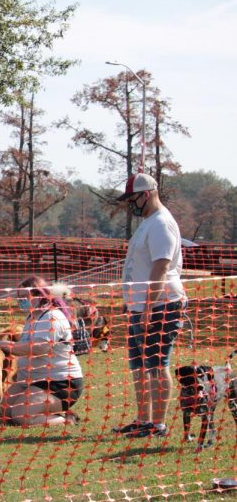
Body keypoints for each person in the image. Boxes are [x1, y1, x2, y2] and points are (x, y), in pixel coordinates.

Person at [112, 173, 187, 439]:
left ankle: (158, 423)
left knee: (156, 364)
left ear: (146, 194)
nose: (130, 204)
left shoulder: (161, 224)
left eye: (132, 198)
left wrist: (147, 307)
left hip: (160, 306)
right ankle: (143, 419)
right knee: (138, 364)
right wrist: (131, 302)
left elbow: (161, 267)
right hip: (141, 306)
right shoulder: (148, 222)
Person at [0, 276, 83, 426]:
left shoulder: (52, 316)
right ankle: (50, 411)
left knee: (21, 416)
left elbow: (40, 348)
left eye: (24, 296)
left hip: (59, 383)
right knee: (3, 413)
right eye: (19, 297)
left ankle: (66, 420)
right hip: (30, 380)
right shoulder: (31, 317)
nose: (20, 300)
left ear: (39, 296)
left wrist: (5, 345)